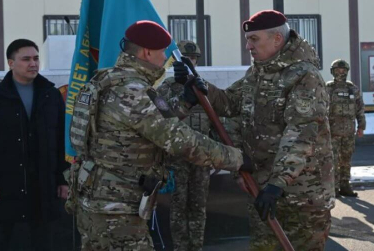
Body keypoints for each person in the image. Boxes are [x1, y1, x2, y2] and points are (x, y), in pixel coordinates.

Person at [69, 21, 251, 251]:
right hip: (117, 210)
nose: (165, 57)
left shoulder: (110, 80)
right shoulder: (133, 91)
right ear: (147, 52)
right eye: (163, 52)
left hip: (99, 201)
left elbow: (150, 120)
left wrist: (185, 100)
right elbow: (181, 141)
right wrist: (237, 159)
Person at [184, 10, 334, 251]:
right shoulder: (256, 73)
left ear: (276, 38)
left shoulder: (304, 75)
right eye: (248, 39)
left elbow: (302, 133)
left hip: (301, 195)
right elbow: (229, 103)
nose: (248, 46)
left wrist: (278, 184)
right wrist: (202, 89)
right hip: (262, 189)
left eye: (254, 39)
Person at [0, 39, 70, 251]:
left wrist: (63, 178)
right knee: (1, 242)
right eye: (26, 59)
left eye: (35, 58)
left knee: (43, 242)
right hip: (4, 187)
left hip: (43, 186)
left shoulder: (50, 95)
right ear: (11, 63)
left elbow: (62, 139)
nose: (33, 63)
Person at [157, 40, 211, 251]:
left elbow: (216, 121)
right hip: (176, 159)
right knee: (178, 208)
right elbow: (161, 119)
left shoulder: (203, 87)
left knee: (198, 207)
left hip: (201, 158)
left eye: (193, 59)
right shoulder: (166, 88)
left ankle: (196, 247)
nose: (190, 63)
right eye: (185, 59)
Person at [326, 59, 366, 197]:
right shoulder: (328, 88)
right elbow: (320, 109)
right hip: (333, 132)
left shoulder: (352, 89)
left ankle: (345, 185)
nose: (341, 73)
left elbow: (360, 108)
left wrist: (361, 126)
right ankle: (334, 187)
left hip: (349, 131)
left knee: (346, 159)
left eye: (343, 70)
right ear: (333, 71)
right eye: (338, 70)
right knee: (333, 159)